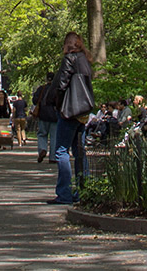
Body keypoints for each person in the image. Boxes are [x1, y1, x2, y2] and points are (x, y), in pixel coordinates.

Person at [47, 31, 95, 205]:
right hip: (82, 112)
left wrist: (57, 103)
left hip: (69, 111)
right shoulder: (85, 60)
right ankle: (85, 191)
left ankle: (64, 193)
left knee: (61, 151)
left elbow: (61, 84)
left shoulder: (70, 59)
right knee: (79, 152)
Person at [31, 79, 54, 162]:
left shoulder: (42, 89)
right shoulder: (57, 88)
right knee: (54, 136)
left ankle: (42, 149)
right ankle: (53, 157)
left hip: (43, 114)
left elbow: (34, 100)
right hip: (55, 116)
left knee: (42, 134)